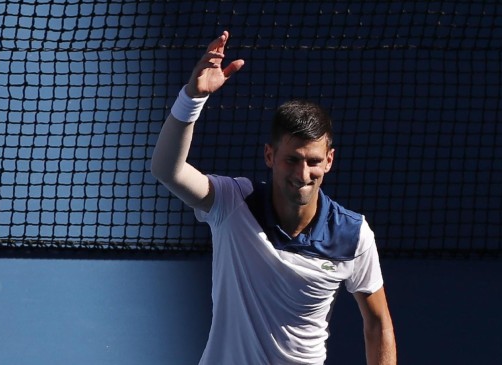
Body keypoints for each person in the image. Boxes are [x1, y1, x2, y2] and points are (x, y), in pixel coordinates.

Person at [151, 31, 396, 365]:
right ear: (270, 156)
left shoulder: (353, 235)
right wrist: (191, 98)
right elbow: (168, 170)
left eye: (313, 161)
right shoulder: (232, 203)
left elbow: (378, 321)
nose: (303, 174)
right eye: (291, 159)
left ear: (329, 161)